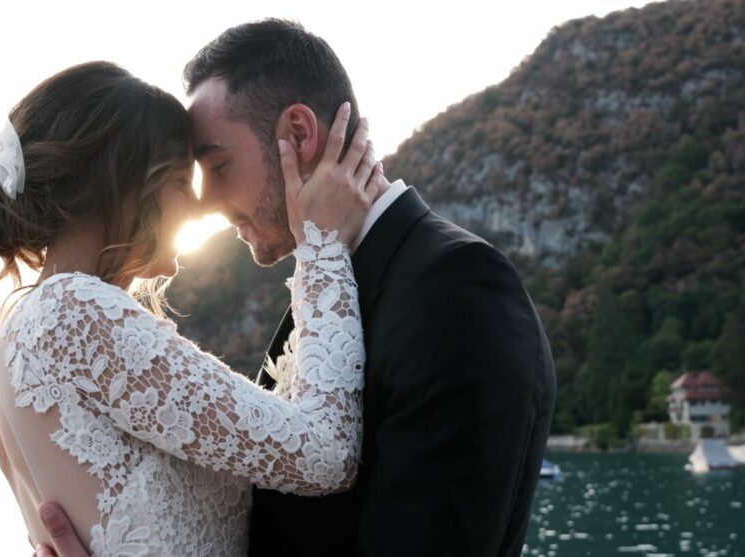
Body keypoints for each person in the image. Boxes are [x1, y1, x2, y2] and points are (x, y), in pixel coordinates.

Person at [38, 20, 557, 557]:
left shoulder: (457, 292)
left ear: (299, 135)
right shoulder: (325, 286)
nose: (207, 203)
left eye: (217, 165)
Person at [0, 60, 384, 556]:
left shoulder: (23, 326)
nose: (197, 208)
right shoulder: (72, 313)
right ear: (124, 186)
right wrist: (323, 246)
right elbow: (326, 455)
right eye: (179, 182)